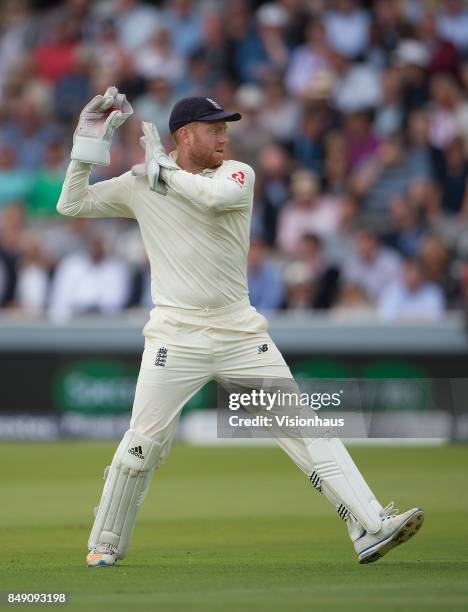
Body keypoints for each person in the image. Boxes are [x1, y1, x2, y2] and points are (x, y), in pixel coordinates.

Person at [57, 87, 424, 568]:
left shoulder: (237, 174)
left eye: (226, 128)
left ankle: (370, 525)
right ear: (184, 135)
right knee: (141, 445)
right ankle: (105, 543)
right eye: (214, 129)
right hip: (174, 337)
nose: (224, 137)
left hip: (240, 335)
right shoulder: (139, 182)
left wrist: (162, 170)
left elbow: (213, 199)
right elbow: (72, 203)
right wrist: (88, 141)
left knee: (303, 427)